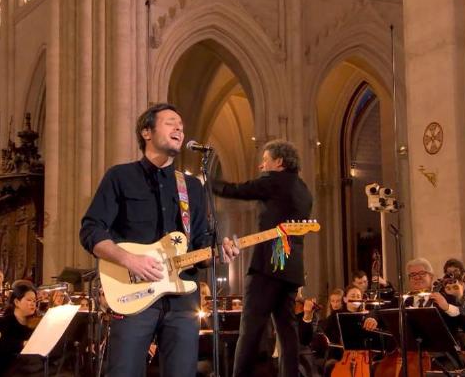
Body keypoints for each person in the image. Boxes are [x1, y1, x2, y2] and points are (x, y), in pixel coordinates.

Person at [79, 103, 238, 377]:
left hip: (182, 302)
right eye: (170, 122)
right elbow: (91, 230)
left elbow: (200, 242)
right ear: (146, 132)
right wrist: (128, 259)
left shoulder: (192, 187)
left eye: (181, 125)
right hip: (133, 295)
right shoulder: (120, 177)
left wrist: (218, 253)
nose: (179, 128)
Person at [212, 139, 313, 377]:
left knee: (250, 329)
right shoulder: (304, 189)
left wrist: (207, 183)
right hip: (291, 267)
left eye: (265, 160)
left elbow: (237, 190)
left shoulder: (274, 181)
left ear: (278, 162)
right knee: (287, 330)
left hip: (269, 265)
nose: (261, 166)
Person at [0, 280, 41, 376]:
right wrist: (22, 343)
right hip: (9, 369)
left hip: (30, 366)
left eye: (34, 301)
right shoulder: (4, 322)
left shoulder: (34, 322)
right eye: (29, 300)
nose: (33, 304)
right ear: (17, 302)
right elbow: (0, 347)